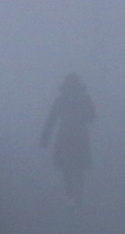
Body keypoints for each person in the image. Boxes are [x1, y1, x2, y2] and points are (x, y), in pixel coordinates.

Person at [40, 72, 96, 205]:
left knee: (69, 165)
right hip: (78, 134)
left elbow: (51, 119)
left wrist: (45, 137)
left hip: (67, 134)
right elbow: (92, 116)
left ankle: (72, 194)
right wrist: (45, 137)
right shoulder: (83, 98)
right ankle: (76, 193)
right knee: (76, 165)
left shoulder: (63, 99)